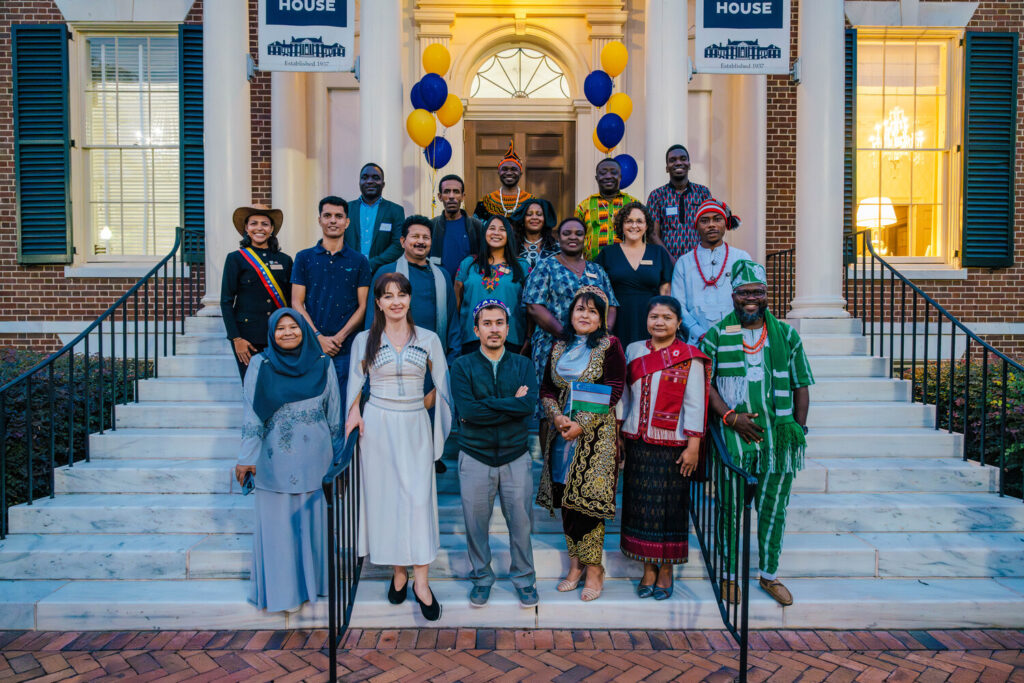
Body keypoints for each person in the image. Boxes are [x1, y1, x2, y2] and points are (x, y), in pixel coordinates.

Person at [700, 260, 814, 608]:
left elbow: (801, 384)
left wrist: (797, 427)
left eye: (758, 292)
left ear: (766, 295)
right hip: (733, 438)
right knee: (729, 508)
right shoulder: (717, 334)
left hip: (777, 439)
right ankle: (730, 576)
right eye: (744, 292)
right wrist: (731, 417)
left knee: (773, 508)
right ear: (732, 295)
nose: (751, 298)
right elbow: (704, 384)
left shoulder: (787, 335)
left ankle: (769, 574)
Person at [346, 273, 452, 622]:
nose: (395, 301)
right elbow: (355, 385)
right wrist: (353, 416)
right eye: (388, 295)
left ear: (409, 300)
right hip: (377, 426)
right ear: (377, 302)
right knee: (388, 499)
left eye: (402, 294)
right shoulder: (364, 339)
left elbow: (443, 384)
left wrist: (424, 404)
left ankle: (422, 582)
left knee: (417, 499)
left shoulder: (429, 339)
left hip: (414, 425)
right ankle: (399, 573)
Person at [234, 308, 341, 613]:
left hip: (315, 461)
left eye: (294, 326)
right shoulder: (260, 364)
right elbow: (252, 413)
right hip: (274, 461)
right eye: (280, 328)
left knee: (311, 525)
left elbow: (334, 414)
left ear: (304, 330)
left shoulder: (323, 363)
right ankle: (283, 595)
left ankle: (311, 588)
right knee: (278, 528)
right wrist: (246, 457)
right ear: (272, 334)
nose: (288, 332)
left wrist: (337, 461)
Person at [537, 287, 626, 602]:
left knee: (588, 504)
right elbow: (547, 387)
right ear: (570, 314)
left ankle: (594, 569)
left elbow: (615, 387)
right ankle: (574, 566)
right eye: (579, 309)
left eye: (592, 311)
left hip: (595, 438)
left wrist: (582, 424)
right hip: (562, 437)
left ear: (601, 317)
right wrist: (558, 417)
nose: (584, 315)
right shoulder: (558, 345)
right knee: (565, 498)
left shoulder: (609, 345)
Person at [450, 300, 539, 608]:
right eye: (487, 323)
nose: (494, 329)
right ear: (477, 329)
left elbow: (528, 408)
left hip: (515, 455)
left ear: (507, 327)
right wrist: (509, 404)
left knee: (521, 523)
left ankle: (524, 579)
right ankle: (481, 578)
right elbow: (468, 412)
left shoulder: (523, 365)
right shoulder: (462, 366)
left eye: (499, 323)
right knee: (476, 524)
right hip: (475, 456)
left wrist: (490, 405)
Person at [620, 296, 709, 600]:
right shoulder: (633, 350)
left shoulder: (689, 356)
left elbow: (696, 402)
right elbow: (624, 397)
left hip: (674, 446)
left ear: (678, 323)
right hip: (638, 443)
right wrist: (620, 432)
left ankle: (666, 570)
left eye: (667, 317)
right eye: (654, 316)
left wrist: (694, 446)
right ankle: (648, 568)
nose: (659, 322)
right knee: (640, 508)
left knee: (670, 510)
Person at [523, 217, 618, 401]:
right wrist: (566, 335)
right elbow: (534, 306)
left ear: (585, 238)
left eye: (578, 233)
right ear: (558, 238)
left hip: (591, 348)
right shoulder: (546, 266)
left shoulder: (597, 270)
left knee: (588, 403)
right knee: (550, 405)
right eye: (567, 233)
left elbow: (611, 305)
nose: (572, 237)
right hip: (552, 345)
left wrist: (602, 333)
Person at [292, 196, 372, 398]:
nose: (333, 221)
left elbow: (363, 307)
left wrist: (338, 338)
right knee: (311, 404)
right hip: (311, 346)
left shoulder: (360, 261)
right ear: (319, 220)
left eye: (338, 216)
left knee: (345, 404)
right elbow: (296, 302)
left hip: (346, 349)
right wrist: (318, 337)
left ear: (347, 222)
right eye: (327, 216)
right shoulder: (303, 257)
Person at [366, 215, 460, 356]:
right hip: (391, 357)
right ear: (403, 241)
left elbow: (452, 321)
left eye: (426, 238)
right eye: (415, 236)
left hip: (433, 357)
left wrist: (452, 359)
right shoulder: (385, 273)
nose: (421, 241)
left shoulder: (443, 276)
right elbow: (372, 318)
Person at [221, 204, 293, 379]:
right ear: (246, 228)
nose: (259, 228)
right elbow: (226, 301)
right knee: (252, 385)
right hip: (247, 338)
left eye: (265, 224)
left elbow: (292, 301)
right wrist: (236, 339)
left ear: (272, 229)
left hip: (279, 334)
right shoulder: (235, 259)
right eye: (254, 223)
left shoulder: (285, 260)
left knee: (280, 384)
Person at [593, 202, 674, 348]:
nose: (634, 226)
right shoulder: (608, 253)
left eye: (639, 221)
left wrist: (664, 321)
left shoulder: (658, 253)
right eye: (629, 221)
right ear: (621, 225)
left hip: (651, 319)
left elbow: (666, 292)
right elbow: (597, 291)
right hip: (617, 319)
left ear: (647, 225)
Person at [671, 198, 749, 345]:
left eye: (717, 219)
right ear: (696, 226)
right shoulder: (684, 262)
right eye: (705, 220)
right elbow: (677, 304)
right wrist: (698, 333)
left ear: (725, 223)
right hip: (695, 341)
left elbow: (748, 299)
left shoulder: (741, 258)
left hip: (734, 338)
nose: (711, 224)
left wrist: (730, 331)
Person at [455, 216, 529, 356]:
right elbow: (456, 305)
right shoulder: (468, 264)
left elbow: (530, 306)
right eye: (492, 228)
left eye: (502, 229)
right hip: (472, 339)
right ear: (484, 233)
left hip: (511, 339)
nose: (496, 233)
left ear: (509, 235)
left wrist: (529, 338)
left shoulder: (522, 266)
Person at [647, 145, 712, 261]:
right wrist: (671, 261)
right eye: (672, 160)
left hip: (700, 262)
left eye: (683, 159)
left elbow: (709, 229)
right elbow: (652, 235)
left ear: (689, 165)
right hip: (667, 263)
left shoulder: (703, 193)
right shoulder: (656, 195)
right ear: (667, 168)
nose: (678, 163)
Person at [344, 163, 406, 272]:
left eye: (376, 178)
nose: (370, 181)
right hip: (348, 270)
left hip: (382, 273)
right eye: (365, 178)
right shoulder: (346, 209)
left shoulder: (395, 211)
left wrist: (371, 264)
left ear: (383, 184)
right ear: (359, 183)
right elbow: (338, 239)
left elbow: (398, 245)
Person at [575, 158, 639, 260]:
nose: (608, 176)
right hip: (594, 267)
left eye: (613, 172)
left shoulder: (634, 204)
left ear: (620, 177)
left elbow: (644, 236)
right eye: (603, 173)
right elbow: (576, 239)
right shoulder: (584, 206)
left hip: (628, 266)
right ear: (596, 178)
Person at [432, 174, 486, 282]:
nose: (451, 196)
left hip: (467, 285)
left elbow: (484, 257)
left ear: (463, 196)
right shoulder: (432, 225)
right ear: (439, 196)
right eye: (447, 191)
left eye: (456, 192)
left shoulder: (476, 226)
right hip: (439, 284)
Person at [474, 140, 535, 219]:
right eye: (505, 169)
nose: (509, 173)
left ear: (520, 174)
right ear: (499, 173)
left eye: (514, 169)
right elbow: (477, 229)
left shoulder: (531, 202)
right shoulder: (485, 203)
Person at [514, 197, 559, 273]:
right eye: (529, 214)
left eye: (539, 214)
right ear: (523, 219)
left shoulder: (556, 248)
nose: (534, 217)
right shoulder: (512, 247)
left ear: (545, 219)